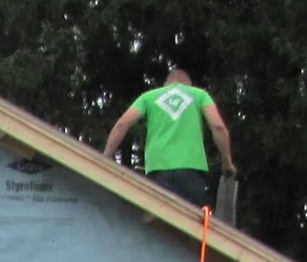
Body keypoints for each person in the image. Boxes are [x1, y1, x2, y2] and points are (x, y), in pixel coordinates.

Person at [102, 63, 238, 207]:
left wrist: (107, 155)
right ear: (189, 84)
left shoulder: (148, 97)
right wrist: (227, 162)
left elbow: (122, 124)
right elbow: (218, 128)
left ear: (165, 84)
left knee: (156, 223)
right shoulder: (200, 95)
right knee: (192, 226)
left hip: (157, 173)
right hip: (191, 174)